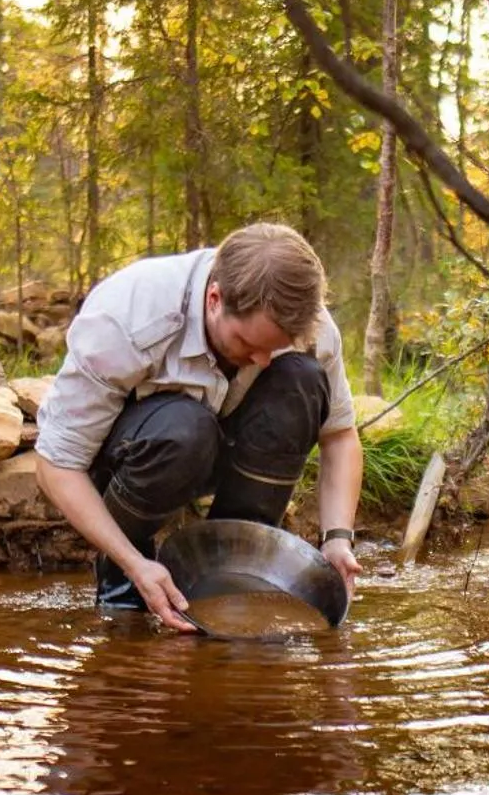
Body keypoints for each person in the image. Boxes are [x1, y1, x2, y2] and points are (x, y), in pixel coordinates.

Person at [33, 223, 364, 632]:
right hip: (137, 455)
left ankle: (233, 569)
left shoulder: (310, 326)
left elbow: (339, 438)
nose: (262, 360)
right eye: (248, 344)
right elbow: (55, 465)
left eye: (274, 348)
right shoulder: (126, 318)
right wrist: (133, 563)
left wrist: (337, 539)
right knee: (185, 429)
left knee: (301, 378)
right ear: (214, 299)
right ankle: (123, 587)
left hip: (224, 443)